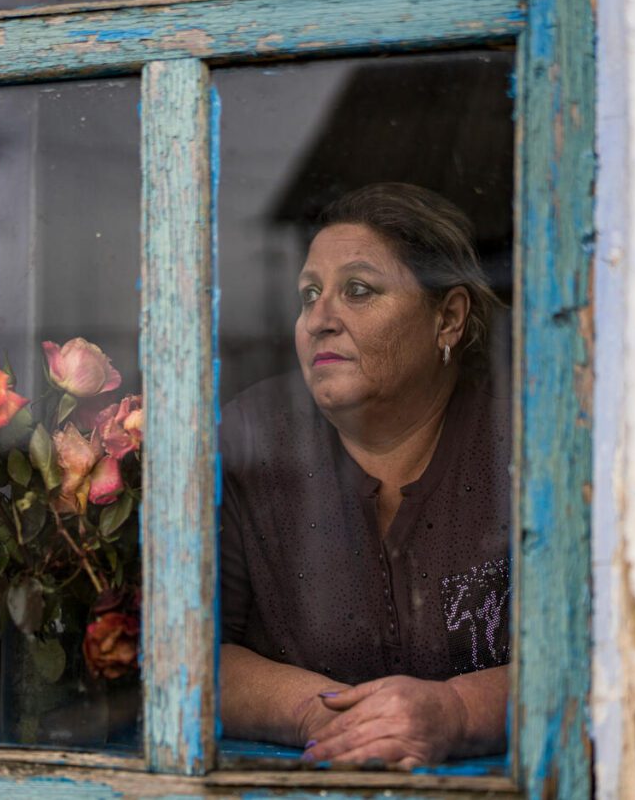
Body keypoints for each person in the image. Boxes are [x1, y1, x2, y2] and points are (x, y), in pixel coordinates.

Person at [219, 183, 511, 768]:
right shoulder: (251, 436)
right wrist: (319, 714)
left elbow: (605, 649)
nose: (319, 320)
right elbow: (194, 651)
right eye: (308, 295)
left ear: (448, 318)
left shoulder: (524, 436)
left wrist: (459, 711)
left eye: (358, 290)